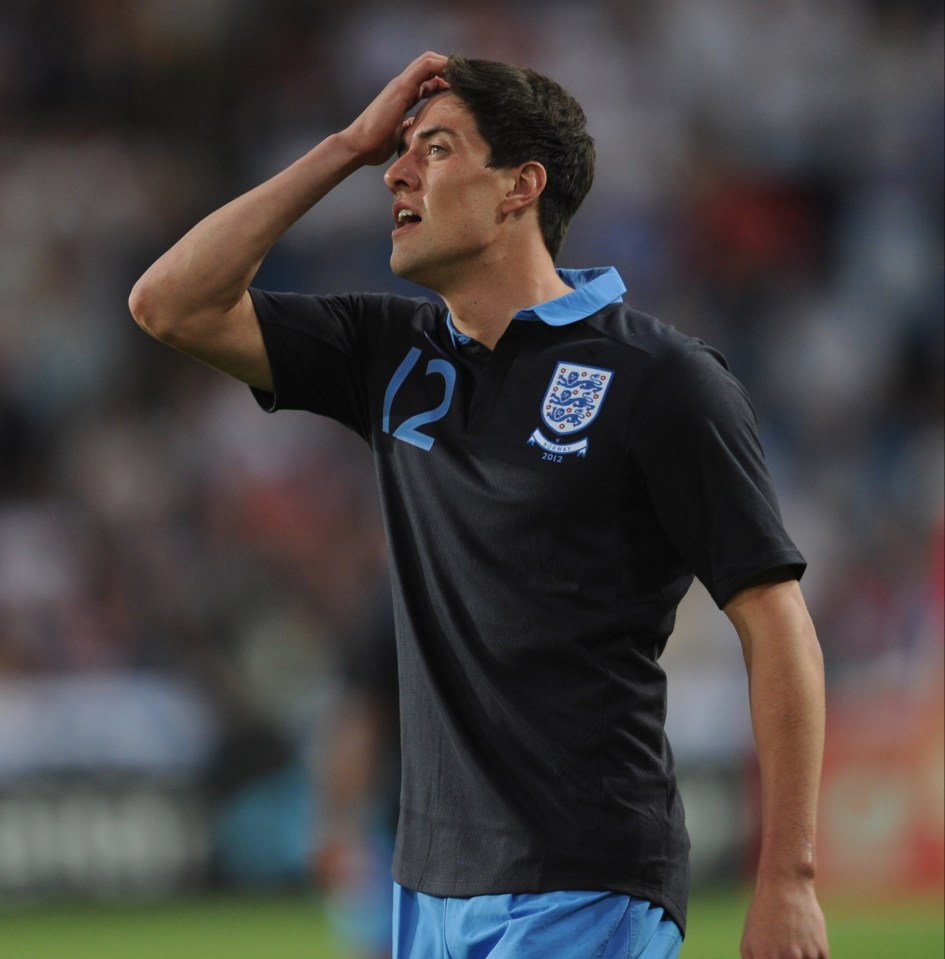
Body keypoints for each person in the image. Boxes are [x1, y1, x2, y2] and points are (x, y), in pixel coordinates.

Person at [129, 51, 830, 959]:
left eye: (437, 148)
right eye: (399, 151)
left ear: (519, 188)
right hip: (428, 888)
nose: (398, 171)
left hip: (584, 875)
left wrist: (788, 878)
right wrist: (343, 147)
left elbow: (776, 624)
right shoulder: (386, 352)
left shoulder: (665, 381)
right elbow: (167, 303)